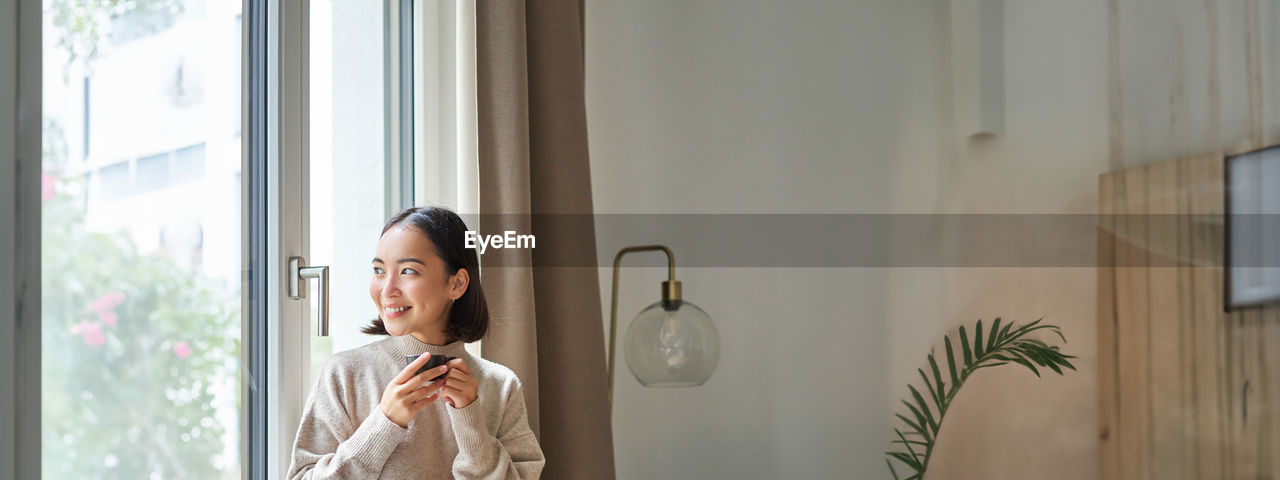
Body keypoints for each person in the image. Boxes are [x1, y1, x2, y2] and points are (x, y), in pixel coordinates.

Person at [287, 206, 545, 479]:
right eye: (379, 270)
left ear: (457, 284)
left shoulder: (500, 386)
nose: (387, 290)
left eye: (408, 271)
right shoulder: (344, 374)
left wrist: (471, 423)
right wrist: (385, 422)